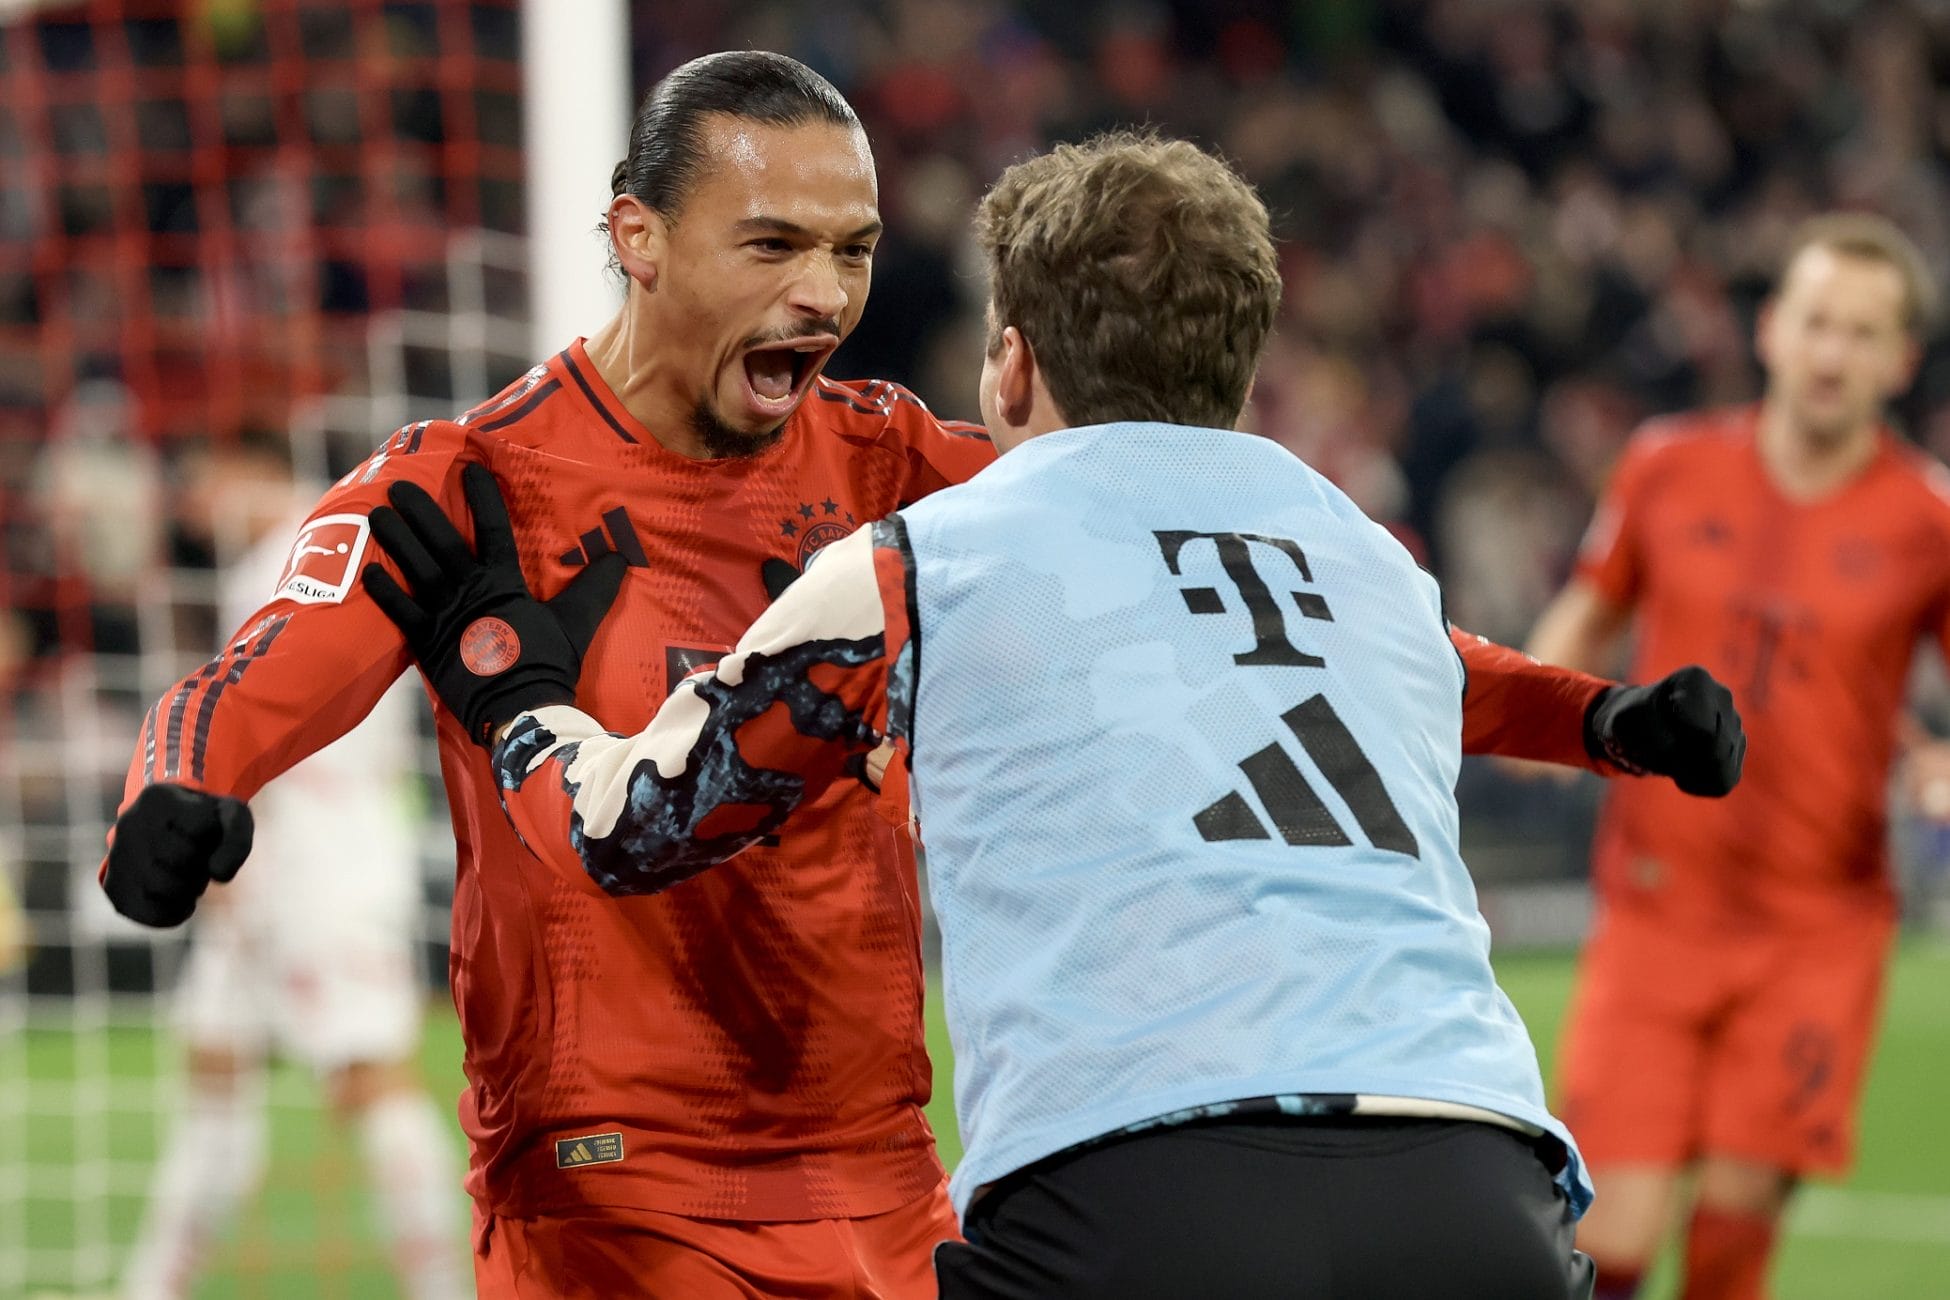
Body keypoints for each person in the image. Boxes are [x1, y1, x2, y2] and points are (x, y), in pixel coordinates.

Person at [101, 51, 1732, 1298]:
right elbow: (246, 681)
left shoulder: (902, 469)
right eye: (774, 244)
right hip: (611, 1170)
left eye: (857, 249)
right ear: (637, 239)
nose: (824, 293)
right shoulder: (459, 487)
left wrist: (1589, 718)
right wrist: (178, 791)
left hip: (887, 1165)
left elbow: (1238, 598)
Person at [1525, 212, 1950, 1300]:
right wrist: (1522, 716)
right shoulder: (1667, 466)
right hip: (1658, 903)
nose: (1831, 352)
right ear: (1769, 330)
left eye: (1862, 332)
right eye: (1815, 321)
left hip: (1820, 923)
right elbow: (1586, 612)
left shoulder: (1926, 518)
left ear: (1901, 359)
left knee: (1727, 1238)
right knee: (1604, 1239)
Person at [119, 437, 468, 1300]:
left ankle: (447, 1291)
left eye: (199, 484)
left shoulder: (292, 555)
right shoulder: (348, 534)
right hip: (289, 862)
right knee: (216, 1066)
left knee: (367, 1079)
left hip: (320, 869)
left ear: (245, 468)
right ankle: (150, 1285)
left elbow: (260, 726)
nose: (194, 511)